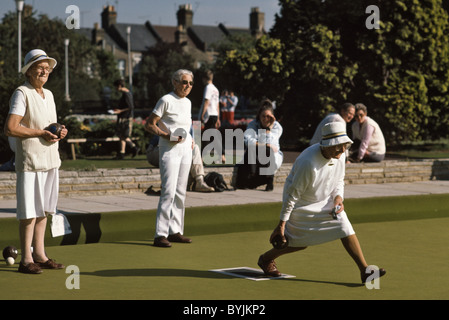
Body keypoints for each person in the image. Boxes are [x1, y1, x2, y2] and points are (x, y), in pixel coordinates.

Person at [257, 122, 386, 284]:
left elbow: (339, 180)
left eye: (343, 145)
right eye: (337, 146)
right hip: (301, 204)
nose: (341, 150)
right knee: (299, 244)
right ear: (326, 146)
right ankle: (266, 259)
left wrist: (338, 198)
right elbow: (292, 195)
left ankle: (365, 270)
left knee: (344, 226)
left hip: (325, 202)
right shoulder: (307, 162)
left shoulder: (340, 154)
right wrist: (281, 224)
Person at [4, 49, 67, 274]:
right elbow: (11, 128)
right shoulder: (22, 93)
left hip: (50, 160)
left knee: (43, 211)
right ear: (29, 71)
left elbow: (49, 124)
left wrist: (60, 131)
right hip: (30, 162)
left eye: (47, 68)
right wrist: (39, 133)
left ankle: (40, 255)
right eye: (39, 67)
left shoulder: (48, 94)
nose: (44, 71)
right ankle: (26, 259)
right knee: (28, 213)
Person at [144, 69, 195, 248]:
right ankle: (160, 235)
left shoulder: (188, 102)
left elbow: (186, 125)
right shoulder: (166, 100)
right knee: (168, 191)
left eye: (190, 83)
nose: (187, 86)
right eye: (184, 82)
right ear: (174, 82)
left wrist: (191, 139)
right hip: (169, 151)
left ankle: (175, 231)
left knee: (181, 191)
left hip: (186, 150)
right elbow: (150, 125)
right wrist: (166, 136)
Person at [235, 99, 283, 191]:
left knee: (268, 151)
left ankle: (269, 181)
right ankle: (250, 178)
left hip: (272, 156)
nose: (265, 119)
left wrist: (268, 129)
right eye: (263, 116)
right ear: (259, 116)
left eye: (268, 116)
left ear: (272, 117)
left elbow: (272, 146)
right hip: (256, 153)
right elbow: (248, 141)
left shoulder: (277, 127)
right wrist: (264, 145)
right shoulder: (253, 124)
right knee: (252, 150)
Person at [145, 135, 214, 192]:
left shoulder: (188, 123)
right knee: (177, 148)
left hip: (175, 150)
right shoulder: (170, 120)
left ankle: (199, 181)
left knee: (195, 147)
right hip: (155, 149)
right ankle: (182, 184)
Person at [112, 79, 139, 159]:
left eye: (116, 87)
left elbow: (130, 107)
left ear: (119, 86)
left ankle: (133, 148)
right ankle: (123, 152)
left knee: (123, 135)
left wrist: (120, 111)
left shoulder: (126, 94)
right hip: (123, 117)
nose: (116, 89)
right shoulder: (125, 94)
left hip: (126, 118)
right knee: (122, 136)